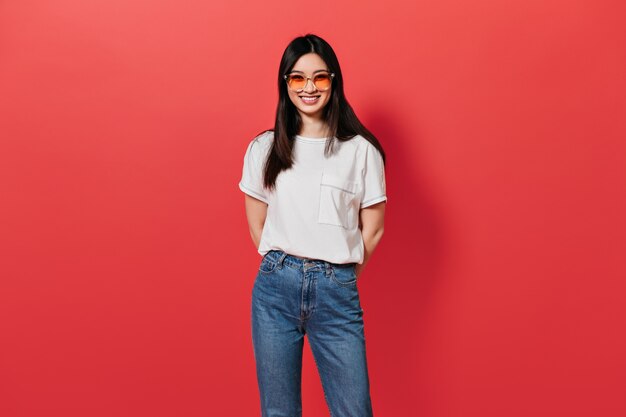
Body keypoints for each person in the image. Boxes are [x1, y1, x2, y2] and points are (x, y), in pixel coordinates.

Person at [238, 33, 387, 417]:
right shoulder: (264, 149)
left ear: (333, 81)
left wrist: (340, 275)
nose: (309, 88)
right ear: (285, 83)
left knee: (354, 410)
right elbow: (258, 225)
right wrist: (285, 264)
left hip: (336, 291)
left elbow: (372, 229)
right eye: (297, 78)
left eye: (320, 77)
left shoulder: (361, 151)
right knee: (278, 411)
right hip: (275, 290)